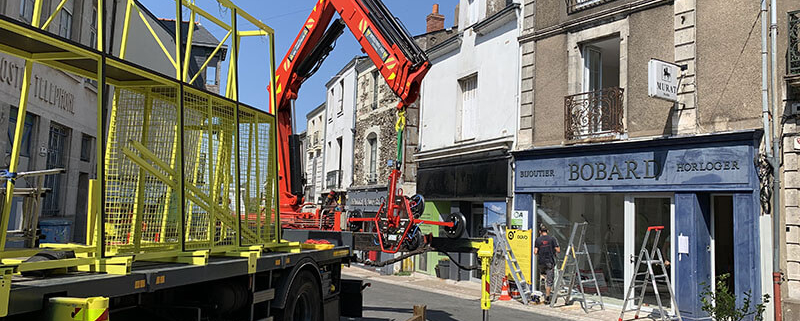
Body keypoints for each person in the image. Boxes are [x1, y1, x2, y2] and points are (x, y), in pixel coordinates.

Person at [534, 225, 560, 302]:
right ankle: (547, 297)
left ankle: (542, 283)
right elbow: (558, 250)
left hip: (541, 262)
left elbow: (535, 252)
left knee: (543, 275)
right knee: (549, 280)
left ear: (540, 232)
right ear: (547, 231)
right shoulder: (552, 239)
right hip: (549, 261)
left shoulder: (537, 240)